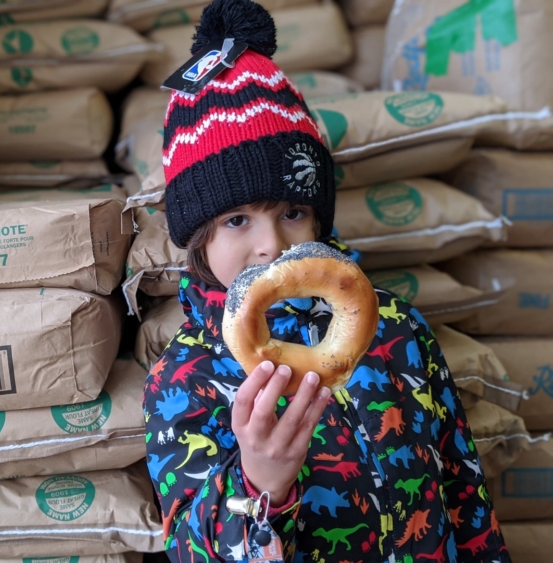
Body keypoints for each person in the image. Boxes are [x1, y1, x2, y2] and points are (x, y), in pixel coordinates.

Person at [142, 1, 511, 562]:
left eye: (292, 212)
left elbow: (465, 493)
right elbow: (190, 548)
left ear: (319, 217)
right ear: (199, 240)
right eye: (237, 220)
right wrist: (260, 483)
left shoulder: (395, 328)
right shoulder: (184, 378)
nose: (271, 245)